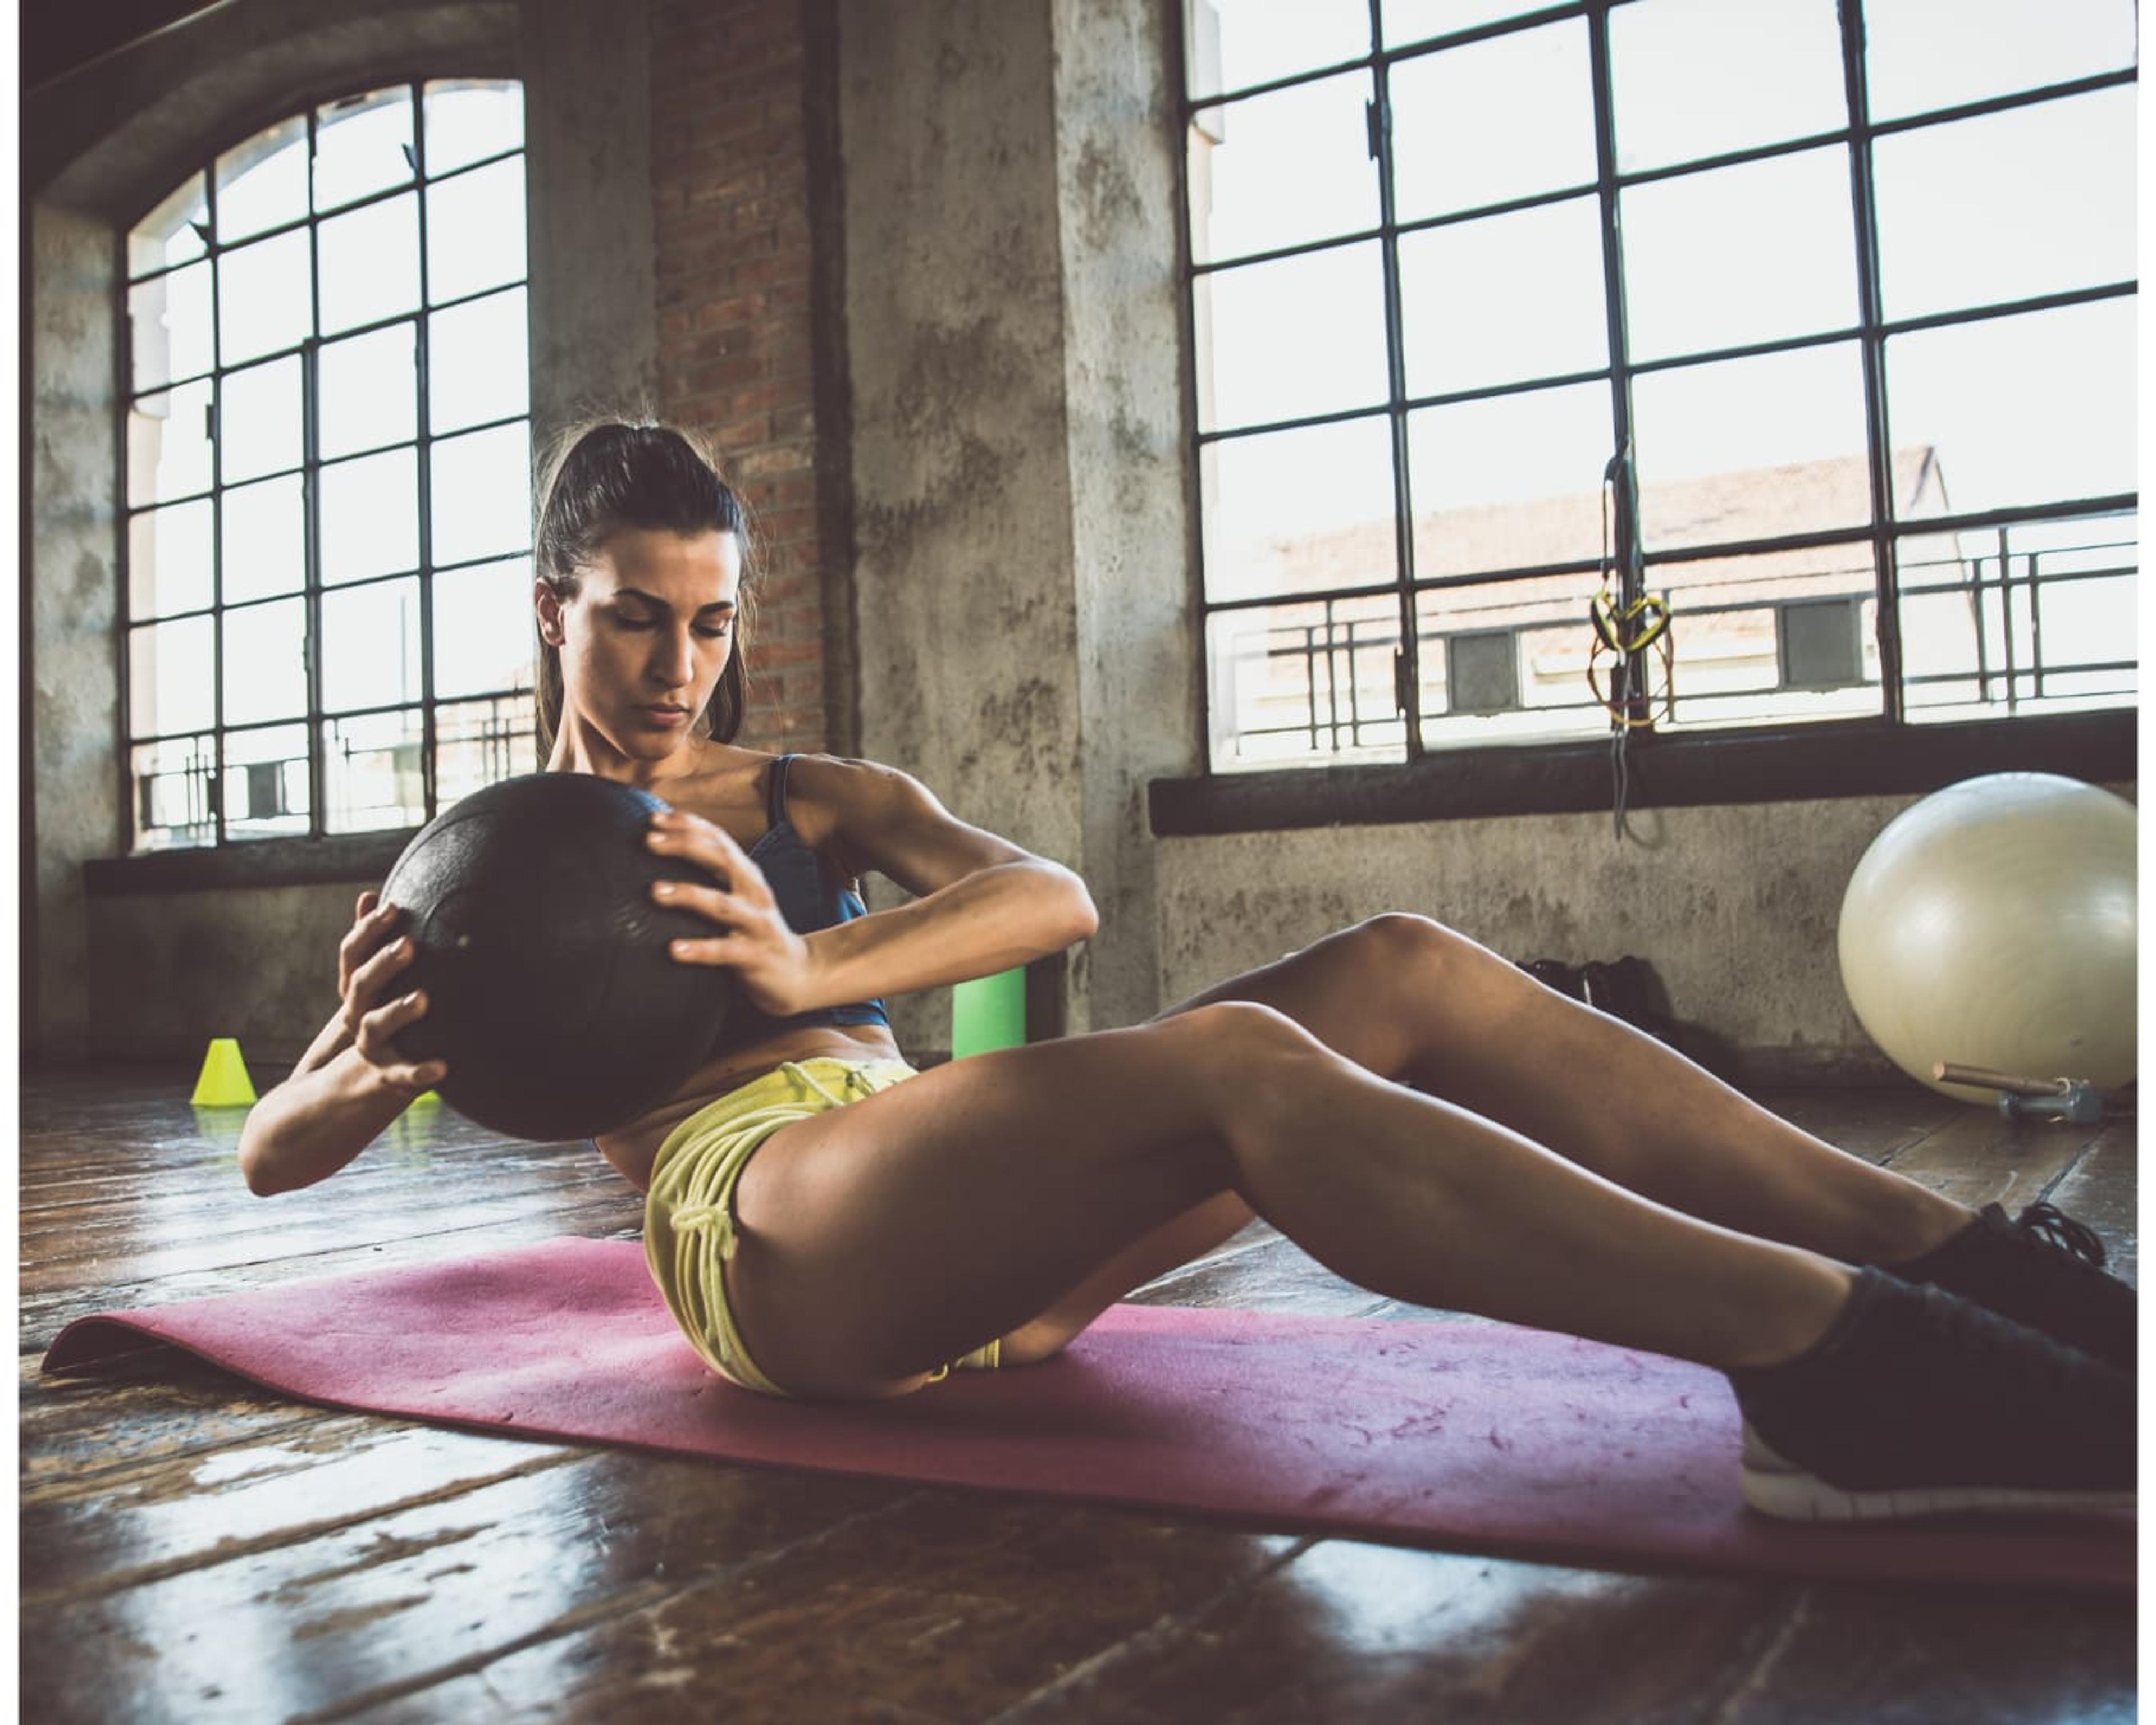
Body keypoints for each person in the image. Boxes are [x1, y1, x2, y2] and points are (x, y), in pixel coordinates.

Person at [237, 421, 2135, 1526]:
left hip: (972, 1218)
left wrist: (809, 952)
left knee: (1401, 967)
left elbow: (1047, 898)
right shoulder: (489, 867)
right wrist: (356, 1069)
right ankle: (1837, 1367)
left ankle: (1957, 1263)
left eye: (714, 624)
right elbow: (285, 1147)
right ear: (549, 607)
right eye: (635, 620)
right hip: (779, 1244)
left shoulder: (808, 792)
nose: (678, 668)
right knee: (1234, 1060)